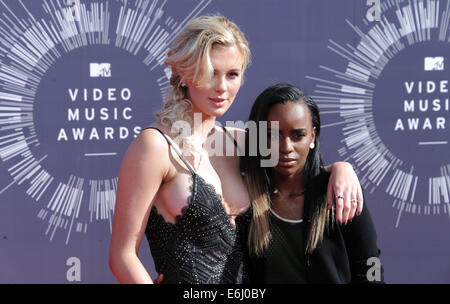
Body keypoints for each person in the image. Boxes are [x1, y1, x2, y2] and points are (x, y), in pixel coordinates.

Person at [109, 15, 363, 284]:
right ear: (184, 74)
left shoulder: (243, 142)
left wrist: (340, 168)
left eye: (232, 74)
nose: (221, 87)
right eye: (210, 73)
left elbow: (300, 172)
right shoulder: (156, 146)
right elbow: (122, 256)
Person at [241, 83, 384, 283]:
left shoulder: (339, 191)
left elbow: (371, 266)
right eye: (273, 135)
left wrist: (342, 167)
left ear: (313, 135)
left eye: (298, 135)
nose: (286, 147)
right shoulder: (244, 198)